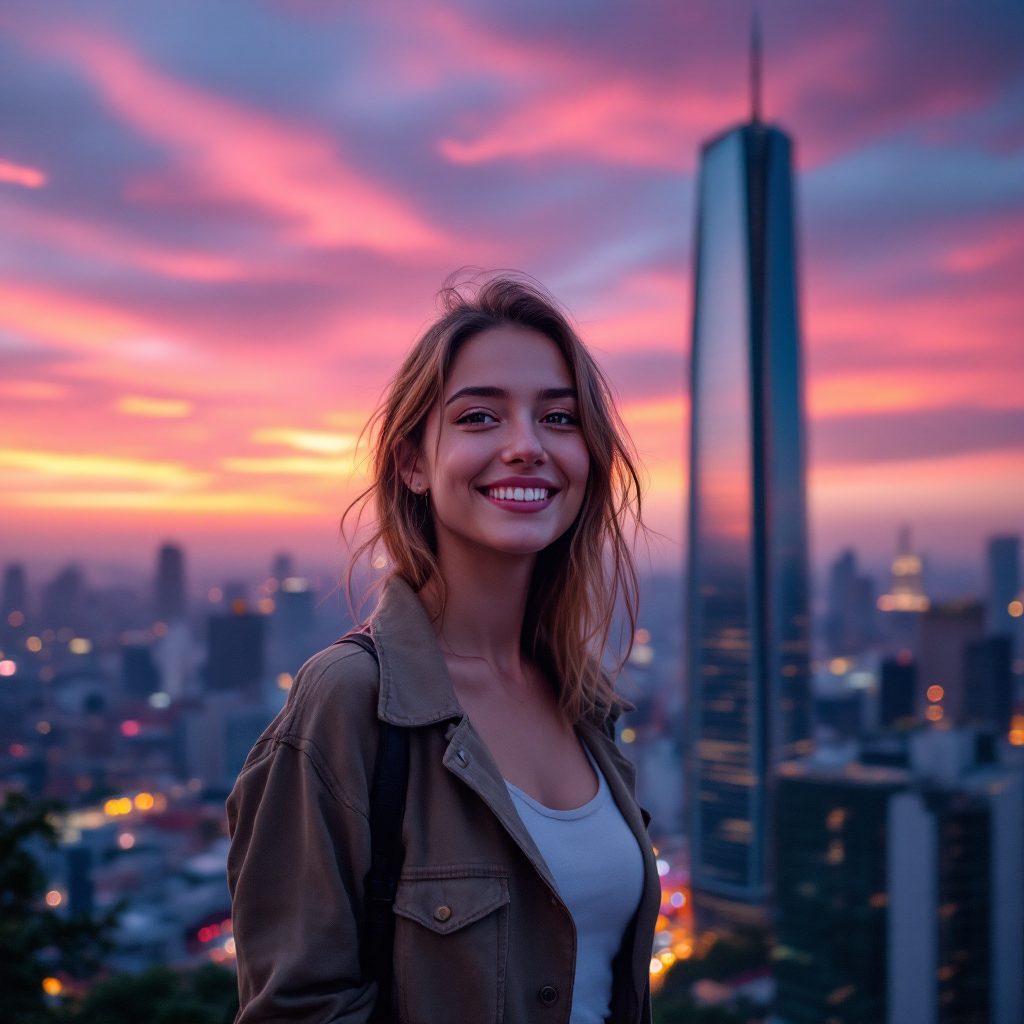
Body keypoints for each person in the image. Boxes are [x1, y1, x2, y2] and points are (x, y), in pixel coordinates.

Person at [227, 275, 660, 1024]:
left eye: (559, 418)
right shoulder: (349, 703)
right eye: (480, 417)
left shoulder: (582, 700)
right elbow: (297, 1009)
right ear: (413, 463)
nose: (526, 447)